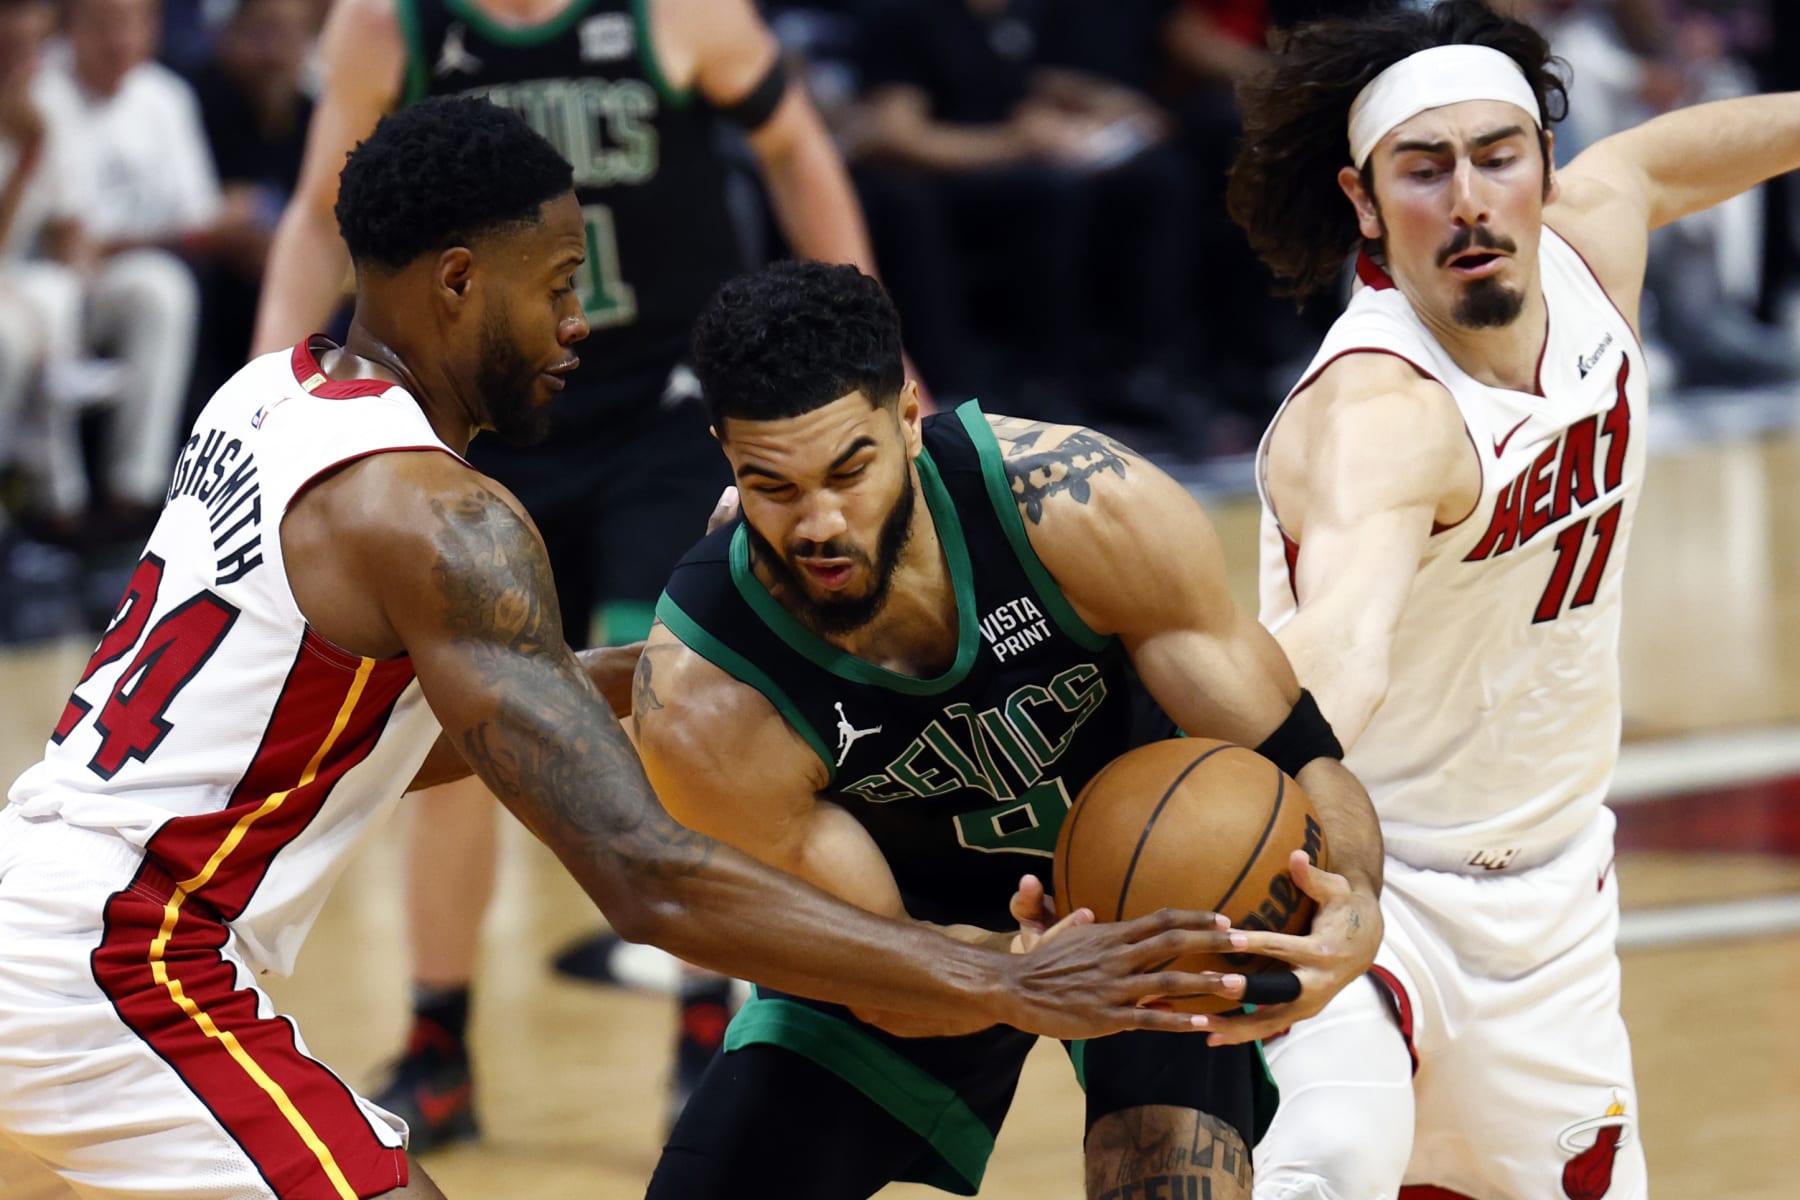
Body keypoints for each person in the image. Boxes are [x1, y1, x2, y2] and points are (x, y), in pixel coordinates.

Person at [0, 97, 1251, 1200]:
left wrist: (747, 667)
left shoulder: (268, 395)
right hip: (128, 962)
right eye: (554, 282)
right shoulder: (439, 519)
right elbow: (644, 877)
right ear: (455, 282)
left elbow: (376, 736)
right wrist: (1001, 983)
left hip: (35, 901)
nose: (579, 319)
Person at [252, 0, 889, 1143]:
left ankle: (709, 1023)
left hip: (664, 405)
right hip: (483, 402)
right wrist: (269, 405)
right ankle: (437, 1040)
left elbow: (797, 147)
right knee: (452, 723)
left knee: (676, 704)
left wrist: (871, 348)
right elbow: (315, 214)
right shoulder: (387, 22)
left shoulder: (678, 14)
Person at [633, 259, 1386, 1200]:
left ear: (909, 418)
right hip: (905, 947)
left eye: (849, 470)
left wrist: (1353, 896)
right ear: (724, 457)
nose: (819, 522)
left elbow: (1300, 755)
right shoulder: (709, 691)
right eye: (770, 485)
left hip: (1148, 909)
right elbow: (881, 979)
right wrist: (1011, 970)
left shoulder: (1080, 508)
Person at [1220, 2, 1800, 1197]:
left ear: (1544, 163)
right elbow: (1342, 643)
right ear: (1365, 203)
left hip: (1555, 896)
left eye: (1498, 156)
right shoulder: (1380, 414)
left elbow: (1665, 157)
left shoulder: (1592, 239)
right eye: (1424, 172)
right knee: (1323, 1165)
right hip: (1366, 879)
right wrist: (1254, 804)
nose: (1470, 198)